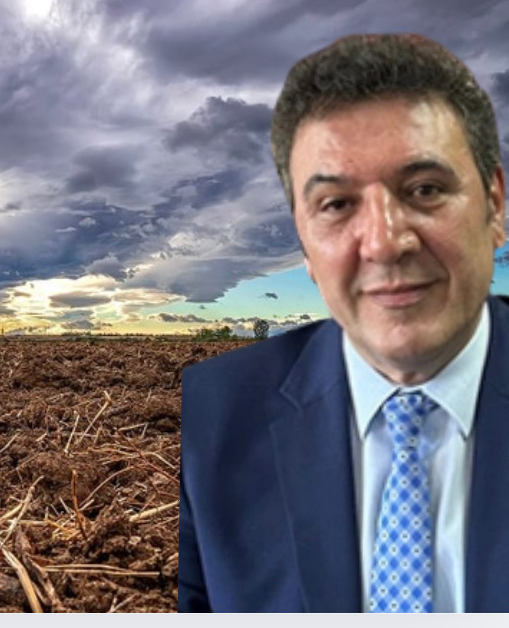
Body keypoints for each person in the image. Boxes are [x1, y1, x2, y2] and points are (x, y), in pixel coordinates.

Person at [178, 33, 508, 612]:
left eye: (425, 190)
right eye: (336, 204)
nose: (384, 243)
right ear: (304, 242)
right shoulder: (212, 420)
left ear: (495, 205)